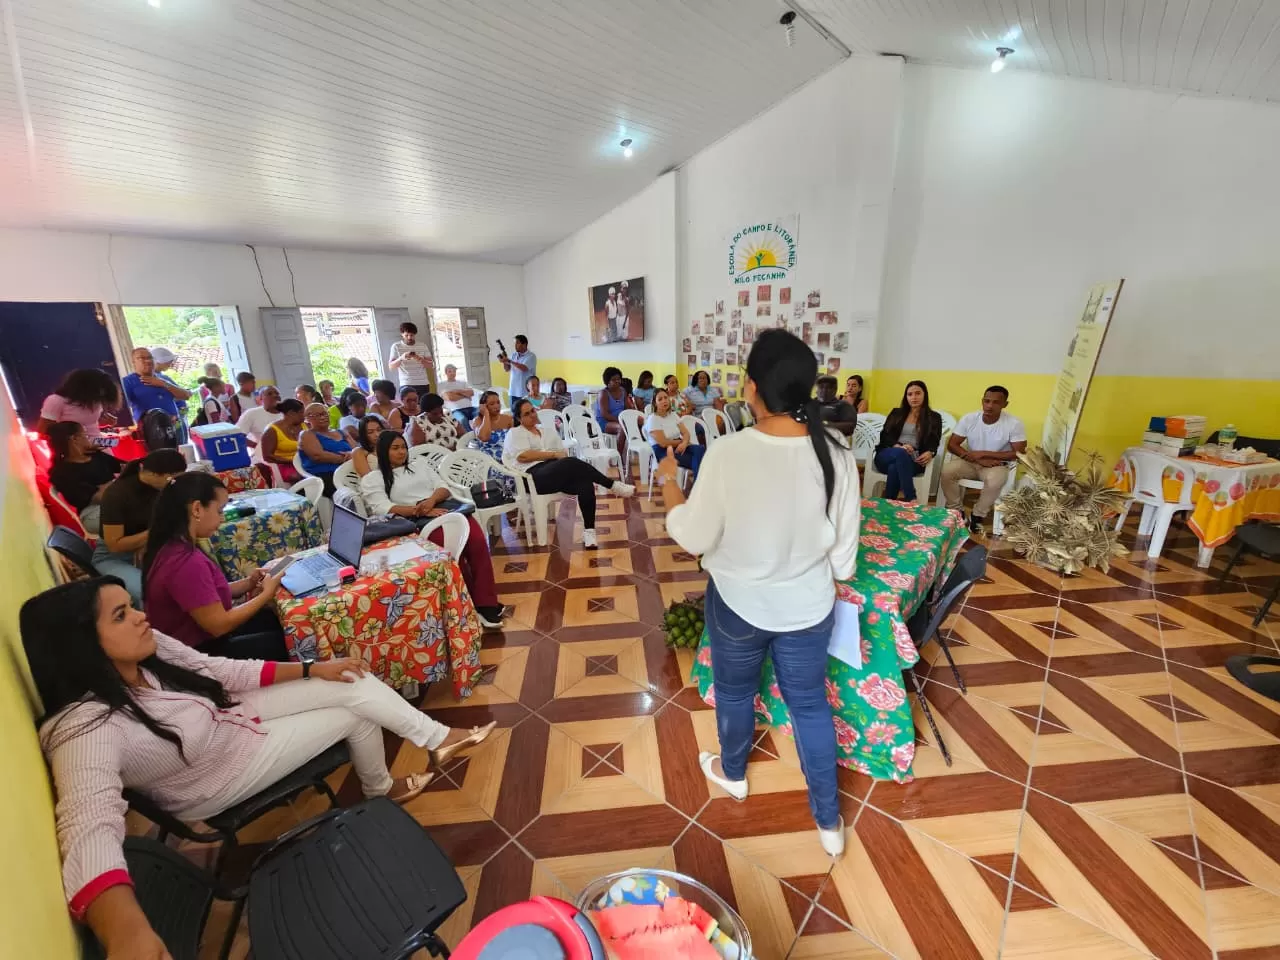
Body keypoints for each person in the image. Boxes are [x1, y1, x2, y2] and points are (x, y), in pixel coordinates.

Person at [24, 576, 496, 955]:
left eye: (131, 606)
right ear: (80, 644)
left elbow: (222, 672)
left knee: (351, 678)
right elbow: (89, 824)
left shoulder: (148, 650)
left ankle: (434, 742)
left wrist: (313, 668)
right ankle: (387, 782)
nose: (141, 616)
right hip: (221, 774)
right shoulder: (84, 728)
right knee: (356, 713)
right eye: (121, 615)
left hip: (229, 717)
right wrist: (126, 931)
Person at [653, 328, 859, 858]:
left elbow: (694, 537)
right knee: (810, 705)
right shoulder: (837, 453)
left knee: (736, 693)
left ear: (751, 388)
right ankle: (829, 823)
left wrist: (670, 482)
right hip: (808, 607)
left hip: (738, 605)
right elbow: (844, 561)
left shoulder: (728, 452)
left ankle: (734, 773)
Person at [359, 432, 506, 628]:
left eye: (403, 447)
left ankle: (486, 603)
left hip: (443, 508)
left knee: (478, 543)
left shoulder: (419, 465)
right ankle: (468, 603)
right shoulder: (374, 478)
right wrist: (420, 510)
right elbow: (382, 507)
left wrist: (431, 501)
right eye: (395, 448)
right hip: (416, 520)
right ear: (383, 452)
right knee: (454, 552)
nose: (402, 452)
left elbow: (442, 487)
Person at [141, 473, 289, 661]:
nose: (222, 519)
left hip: (198, 640)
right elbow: (219, 625)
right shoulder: (185, 562)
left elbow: (203, 596)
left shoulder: (169, 547)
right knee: (288, 639)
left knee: (277, 620)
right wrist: (266, 594)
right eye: (219, 511)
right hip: (198, 654)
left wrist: (248, 583)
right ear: (197, 509)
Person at [503, 398, 634, 549]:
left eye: (532, 411)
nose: (532, 415)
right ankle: (612, 485)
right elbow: (524, 456)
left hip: (554, 473)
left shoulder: (546, 431)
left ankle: (589, 532)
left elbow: (562, 453)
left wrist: (557, 457)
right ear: (519, 418)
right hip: (532, 477)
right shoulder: (515, 433)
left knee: (585, 483)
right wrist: (552, 455)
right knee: (571, 462)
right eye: (527, 414)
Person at [93, 449, 189, 605]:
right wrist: (155, 532)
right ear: (153, 474)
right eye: (171, 479)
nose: (174, 483)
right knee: (148, 593)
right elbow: (114, 545)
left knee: (189, 575)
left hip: (148, 549)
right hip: (114, 558)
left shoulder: (159, 488)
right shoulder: (117, 495)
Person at [941, 385, 1027, 535]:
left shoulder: (1014, 423)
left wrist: (984, 454)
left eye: (996, 402)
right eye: (987, 401)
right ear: (982, 401)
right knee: (947, 471)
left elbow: (1019, 453)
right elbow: (952, 445)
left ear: (1005, 404)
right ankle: (956, 511)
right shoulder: (969, 419)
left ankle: (978, 515)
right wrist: (977, 459)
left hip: (996, 465)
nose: (989, 406)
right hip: (970, 461)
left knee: (995, 481)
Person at [46, 421, 123, 534]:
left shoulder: (95, 455)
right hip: (93, 513)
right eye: (85, 435)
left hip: (114, 500)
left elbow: (124, 467)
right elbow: (100, 497)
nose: (88, 438)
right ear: (74, 439)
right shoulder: (62, 473)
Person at [873, 380, 942, 502]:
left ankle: (889, 502)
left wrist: (930, 452)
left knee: (894, 468)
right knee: (900, 453)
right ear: (906, 397)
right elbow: (885, 436)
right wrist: (898, 446)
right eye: (910, 394)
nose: (914, 397)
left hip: (913, 460)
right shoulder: (896, 413)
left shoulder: (934, 417)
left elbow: (934, 441)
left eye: (917, 393)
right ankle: (911, 498)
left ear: (924, 395)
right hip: (888, 454)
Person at [38, 369, 120, 439]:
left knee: (117, 441)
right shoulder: (56, 400)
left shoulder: (95, 400)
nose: (101, 394)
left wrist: (103, 422)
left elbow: (89, 424)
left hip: (97, 442)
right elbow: (43, 431)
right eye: (99, 390)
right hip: (77, 448)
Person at [120, 347, 191, 426]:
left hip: (175, 426)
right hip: (151, 429)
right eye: (142, 358)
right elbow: (120, 409)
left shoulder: (164, 378)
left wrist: (163, 384)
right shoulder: (128, 382)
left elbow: (186, 395)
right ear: (133, 362)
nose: (148, 361)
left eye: (150, 357)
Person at [646, 389, 704, 483]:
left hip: (678, 445)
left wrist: (684, 443)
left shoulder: (673, 415)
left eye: (666, 398)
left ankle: (697, 484)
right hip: (663, 451)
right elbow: (663, 443)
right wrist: (682, 442)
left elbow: (686, 433)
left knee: (700, 449)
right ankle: (698, 484)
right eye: (660, 399)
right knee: (699, 460)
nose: (664, 401)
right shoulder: (653, 419)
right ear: (655, 403)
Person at [299, 402, 354, 497]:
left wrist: (352, 454)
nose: (324, 417)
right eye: (319, 415)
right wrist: (346, 458)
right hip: (325, 475)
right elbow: (318, 456)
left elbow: (356, 450)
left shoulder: (342, 432)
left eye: (326, 413)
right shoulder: (307, 434)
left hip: (350, 472)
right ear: (308, 419)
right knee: (351, 494)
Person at [260, 398, 306, 486]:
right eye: (301, 412)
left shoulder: (305, 425)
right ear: (291, 413)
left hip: (306, 462)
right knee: (299, 476)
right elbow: (267, 456)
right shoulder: (272, 431)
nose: (304, 415)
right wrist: (293, 461)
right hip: (285, 464)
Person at [387, 321, 433, 396]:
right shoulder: (396, 346)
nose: (409, 337)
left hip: (423, 383)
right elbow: (391, 366)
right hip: (406, 384)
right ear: (402, 334)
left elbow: (430, 365)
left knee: (424, 404)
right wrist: (402, 358)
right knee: (408, 403)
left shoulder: (423, 346)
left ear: (415, 334)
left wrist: (419, 358)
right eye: (406, 335)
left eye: (411, 335)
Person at [595, 366, 631, 454]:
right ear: (608, 381)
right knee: (622, 428)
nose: (617, 381)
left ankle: (636, 453)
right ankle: (618, 456)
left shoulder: (623, 391)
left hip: (620, 420)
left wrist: (633, 416)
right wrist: (621, 421)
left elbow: (627, 408)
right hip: (604, 422)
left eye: (619, 379)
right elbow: (605, 414)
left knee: (641, 424)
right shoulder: (603, 393)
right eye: (614, 380)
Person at [471, 389, 514, 461]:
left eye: (498, 402)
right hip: (488, 460)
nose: (497, 406)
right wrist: (486, 414)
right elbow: (484, 437)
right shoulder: (477, 421)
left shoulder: (508, 419)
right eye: (492, 404)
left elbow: (514, 439)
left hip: (508, 456)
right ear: (484, 406)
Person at [235, 385, 281, 450]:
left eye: (277, 393)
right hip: (263, 454)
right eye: (269, 394)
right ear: (261, 398)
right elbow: (238, 436)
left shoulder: (287, 413)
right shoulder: (251, 413)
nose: (274, 395)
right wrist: (259, 447)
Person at [500, 334, 536, 401]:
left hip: (525, 392)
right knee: (513, 408)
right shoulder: (514, 355)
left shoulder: (531, 356)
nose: (515, 345)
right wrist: (504, 361)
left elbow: (524, 368)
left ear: (524, 344)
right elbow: (507, 369)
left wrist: (510, 361)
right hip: (513, 391)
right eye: (515, 343)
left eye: (517, 343)